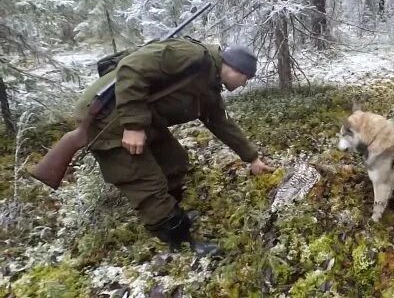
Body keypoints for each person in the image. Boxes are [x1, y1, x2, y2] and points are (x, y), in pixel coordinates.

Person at [73, 37, 274, 255]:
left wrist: (252, 158)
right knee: (147, 183)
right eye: (246, 78)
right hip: (107, 119)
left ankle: (172, 213)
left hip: (141, 119)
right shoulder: (192, 56)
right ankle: (179, 239)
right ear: (235, 69)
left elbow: (220, 122)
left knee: (174, 162)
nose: (244, 84)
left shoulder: (208, 81)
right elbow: (131, 68)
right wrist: (133, 125)